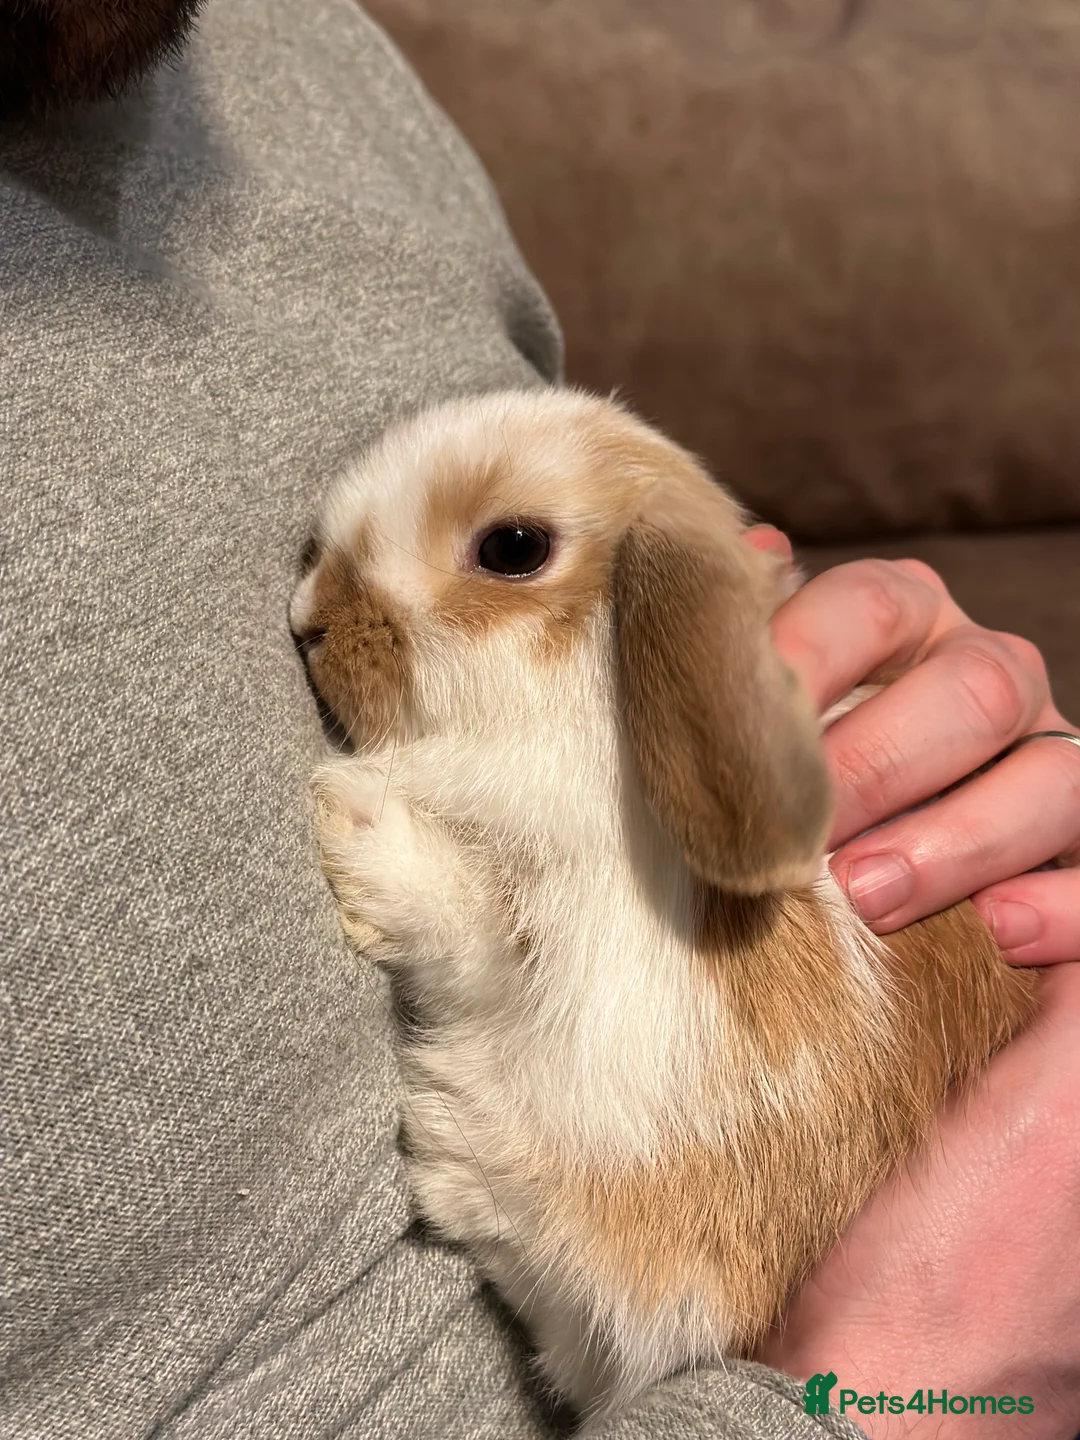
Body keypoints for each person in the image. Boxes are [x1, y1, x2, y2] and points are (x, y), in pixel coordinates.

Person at [2, 2, 1078, 1437]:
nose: (317, 618)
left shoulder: (300, 54)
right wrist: (891, 1397)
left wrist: (945, 776)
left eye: (502, 558)